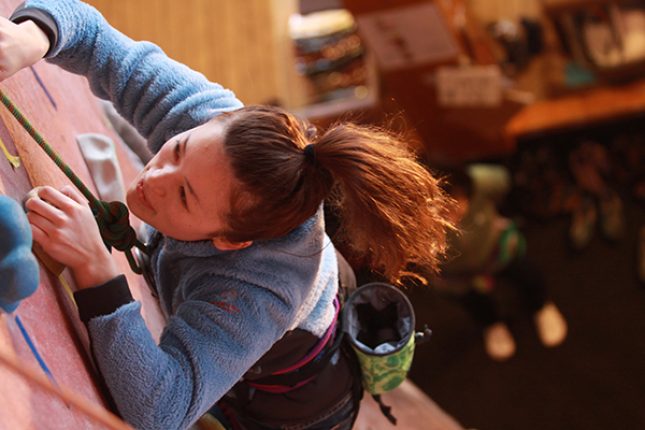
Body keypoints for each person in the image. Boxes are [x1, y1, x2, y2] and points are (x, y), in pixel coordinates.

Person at [0, 1, 454, 429]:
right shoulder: (214, 125)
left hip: (293, 410)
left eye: (183, 196)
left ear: (231, 242)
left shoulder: (257, 291)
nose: (153, 179)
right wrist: (30, 39)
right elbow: (95, 37)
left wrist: (96, 270)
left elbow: (161, 410)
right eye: (176, 149)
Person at [436, 165, 567, 361]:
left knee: (527, 274)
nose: (451, 216)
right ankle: (492, 323)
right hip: (456, 274)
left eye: (454, 203)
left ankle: (541, 304)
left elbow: (503, 180)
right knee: (474, 302)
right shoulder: (415, 223)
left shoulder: (479, 184)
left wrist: (477, 176)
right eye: (441, 209)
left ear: (466, 190)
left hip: (496, 249)